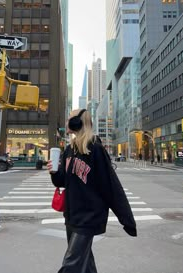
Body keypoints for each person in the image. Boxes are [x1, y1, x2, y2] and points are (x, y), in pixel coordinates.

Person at [47, 109, 137, 273]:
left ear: (78, 122)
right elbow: (62, 181)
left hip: (89, 216)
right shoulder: (69, 149)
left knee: (71, 265)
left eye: (70, 119)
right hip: (72, 214)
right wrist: (54, 172)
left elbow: (111, 186)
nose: (67, 122)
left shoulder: (95, 149)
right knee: (85, 262)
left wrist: (127, 220)